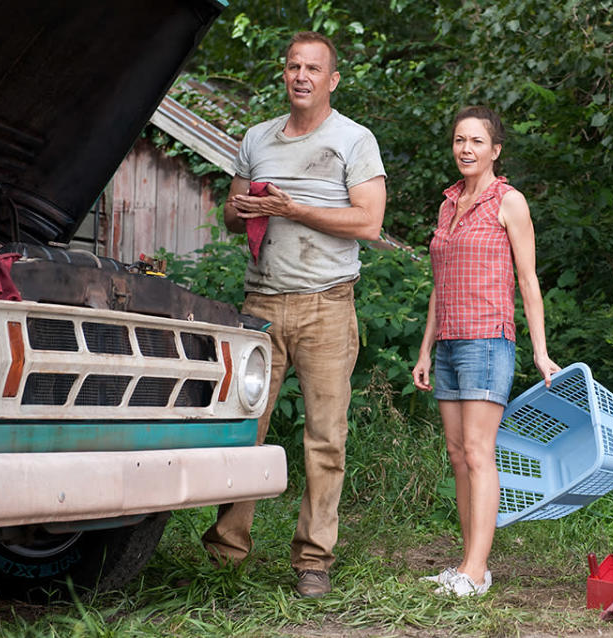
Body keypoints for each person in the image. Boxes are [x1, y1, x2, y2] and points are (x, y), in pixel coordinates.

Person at [200, 31, 387, 599]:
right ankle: (227, 550)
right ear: (283, 75)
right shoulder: (257, 138)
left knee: (325, 438)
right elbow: (233, 217)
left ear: (332, 80)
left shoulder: (354, 140)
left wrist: (291, 207)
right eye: (292, 67)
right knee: (241, 431)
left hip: (327, 304)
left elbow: (368, 223)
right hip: (260, 305)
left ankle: (314, 561)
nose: (301, 76)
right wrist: (243, 208)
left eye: (313, 68)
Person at [411, 106, 559, 596]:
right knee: (457, 454)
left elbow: (528, 279)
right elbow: (439, 284)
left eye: (476, 141)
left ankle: (476, 571)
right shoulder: (448, 204)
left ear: (495, 150)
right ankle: (467, 566)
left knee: (478, 453)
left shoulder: (508, 201)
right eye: (459, 140)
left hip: (488, 339)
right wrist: (425, 349)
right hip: (449, 341)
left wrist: (540, 351)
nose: (465, 149)